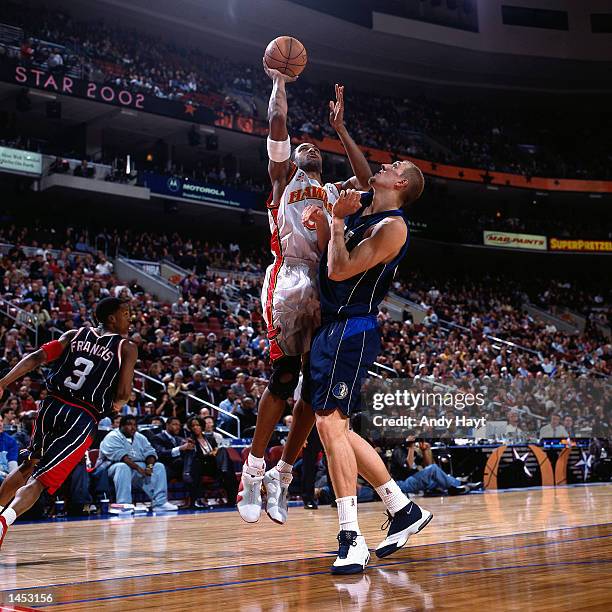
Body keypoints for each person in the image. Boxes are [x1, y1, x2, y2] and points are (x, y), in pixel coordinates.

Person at [238, 65, 372, 525]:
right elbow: (277, 124)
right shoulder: (282, 181)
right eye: (302, 145)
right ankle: (252, 472)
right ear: (293, 157)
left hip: (324, 283)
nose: (307, 146)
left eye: (315, 146)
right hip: (288, 279)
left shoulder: (334, 191)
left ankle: (284, 473)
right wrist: (279, 83)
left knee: (314, 392)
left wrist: (341, 129)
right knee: (284, 375)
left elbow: (369, 182)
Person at [303, 162, 432, 573]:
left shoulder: (393, 226)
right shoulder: (368, 217)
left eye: (395, 166)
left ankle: (351, 536)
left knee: (329, 426)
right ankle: (401, 507)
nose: (386, 163)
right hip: (332, 327)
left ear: (401, 184)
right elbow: (331, 262)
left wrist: (337, 220)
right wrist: (325, 222)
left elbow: (341, 269)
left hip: (352, 328)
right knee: (336, 429)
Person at [0, 297, 138, 549]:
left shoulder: (74, 334)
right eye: (126, 314)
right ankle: (3, 521)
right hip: (82, 416)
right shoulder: (126, 347)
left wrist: (2, 382)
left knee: (27, 465)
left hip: (51, 405)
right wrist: (113, 407)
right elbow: (123, 394)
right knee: (40, 480)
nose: (131, 318)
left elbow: (37, 357)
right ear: (111, 318)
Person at [99, 415, 177, 512]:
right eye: (129, 425)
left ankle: (160, 503)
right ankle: (124, 504)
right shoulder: (112, 436)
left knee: (158, 466)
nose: (133, 428)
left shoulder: (140, 437)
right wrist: (139, 469)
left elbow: (151, 453)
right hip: (113, 468)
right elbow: (122, 457)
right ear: (121, 426)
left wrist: (149, 467)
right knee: (122, 467)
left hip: (136, 468)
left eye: (135, 425)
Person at [184, 417, 237, 508]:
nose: (195, 427)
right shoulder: (190, 441)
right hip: (202, 465)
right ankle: (223, 469)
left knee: (223, 451)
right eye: (193, 426)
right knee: (224, 465)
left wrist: (214, 452)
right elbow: (194, 457)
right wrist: (209, 454)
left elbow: (216, 451)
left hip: (214, 465)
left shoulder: (210, 438)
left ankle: (233, 499)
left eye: (198, 425)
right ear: (190, 428)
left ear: (202, 426)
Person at [152, 416, 195, 480]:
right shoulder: (157, 437)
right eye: (175, 424)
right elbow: (161, 453)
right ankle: (187, 473)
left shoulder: (180, 439)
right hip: (167, 466)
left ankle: (187, 473)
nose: (178, 427)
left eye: (179, 425)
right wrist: (180, 448)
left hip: (180, 466)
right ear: (167, 425)